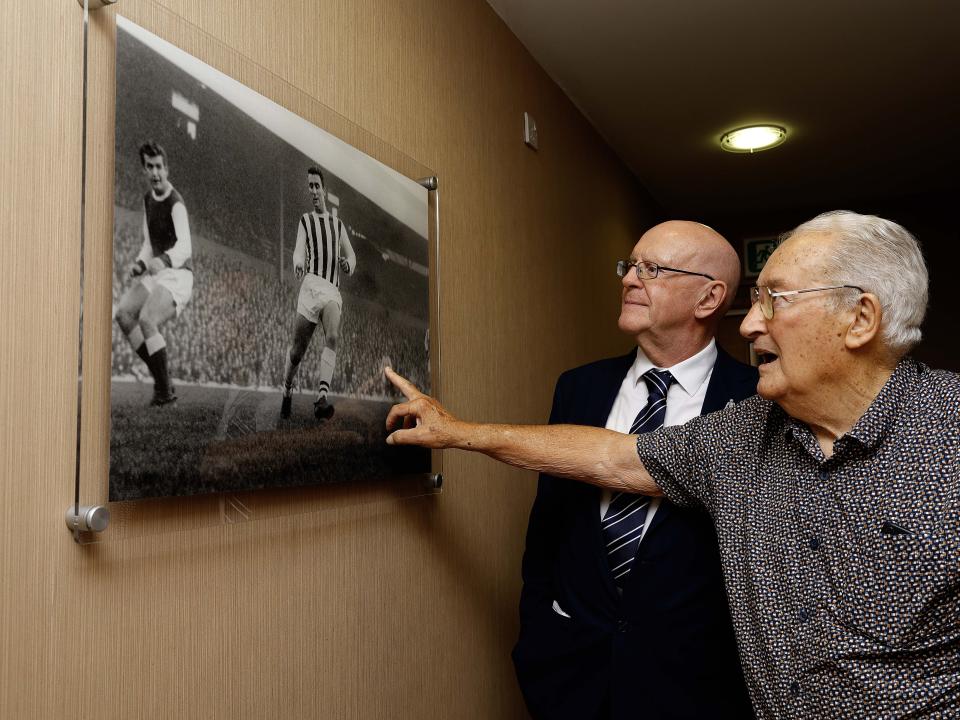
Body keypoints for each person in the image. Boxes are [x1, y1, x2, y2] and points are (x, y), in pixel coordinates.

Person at [384, 211, 960, 719]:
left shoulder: (946, 434)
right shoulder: (741, 435)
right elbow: (613, 457)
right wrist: (458, 432)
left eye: (774, 300)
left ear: (859, 319)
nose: (750, 325)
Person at [513, 221, 754, 719]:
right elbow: (549, 526)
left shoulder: (758, 402)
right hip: (571, 676)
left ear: (708, 299)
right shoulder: (578, 387)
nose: (628, 279)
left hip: (695, 687)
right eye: (630, 266)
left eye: (654, 269)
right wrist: (539, 627)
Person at [115, 141, 193, 406]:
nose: (155, 172)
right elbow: (148, 244)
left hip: (178, 274)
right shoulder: (148, 200)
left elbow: (186, 247)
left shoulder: (176, 203)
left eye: (159, 166)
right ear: (144, 170)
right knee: (124, 314)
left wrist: (166, 259)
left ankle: (165, 391)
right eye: (150, 167)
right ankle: (163, 379)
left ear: (166, 169)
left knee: (147, 319)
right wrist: (139, 263)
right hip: (157, 270)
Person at [280, 166, 356, 420]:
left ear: (325, 189)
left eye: (316, 185)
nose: (313, 190)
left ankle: (322, 398)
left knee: (332, 336)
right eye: (310, 186)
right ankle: (287, 389)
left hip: (332, 289)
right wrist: (298, 263)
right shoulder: (305, 220)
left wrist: (349, 265)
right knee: (296, 352)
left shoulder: (338, 224)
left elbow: (352, 254)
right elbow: (298, 249)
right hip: (311, 287)